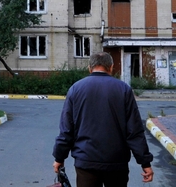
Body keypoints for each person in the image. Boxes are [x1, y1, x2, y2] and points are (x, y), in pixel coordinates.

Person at [52, 52, 154, 186]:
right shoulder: (124, 90)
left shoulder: (75, 89)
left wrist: (59, 157)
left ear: (89, 68)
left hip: (86, 161)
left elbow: (66, 130)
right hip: (116, 163)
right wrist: (145, 163)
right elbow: (134, 131)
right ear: (111, 67)